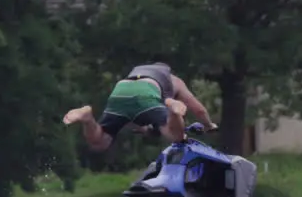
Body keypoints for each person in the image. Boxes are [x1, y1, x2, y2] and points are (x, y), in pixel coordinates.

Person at [63, 62, 217, 152]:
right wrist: (208, 125)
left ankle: (88, 118)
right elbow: (199, 109)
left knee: (100, 142)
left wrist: (144, 130)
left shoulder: (136, 73)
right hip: (147, 93)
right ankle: (172, 108)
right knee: (176, 137)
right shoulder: (173, 80)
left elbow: (133, 112)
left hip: (121, 89)